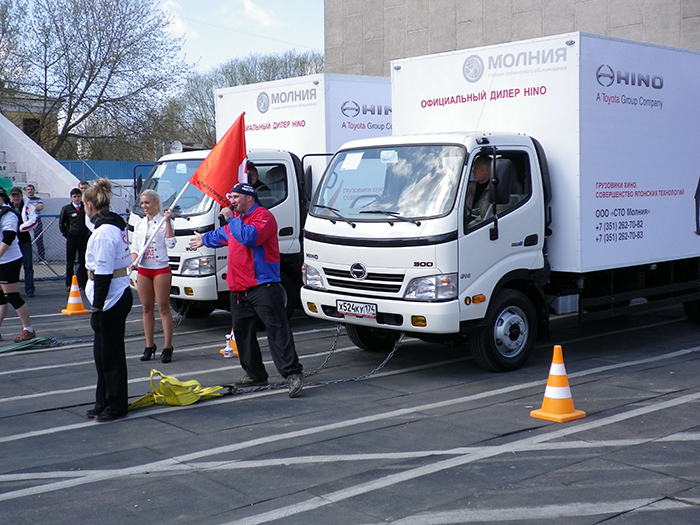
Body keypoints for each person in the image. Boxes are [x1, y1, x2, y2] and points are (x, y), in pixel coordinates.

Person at [189, 182, 304, 398]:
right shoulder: (238, 222)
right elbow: (221, 235)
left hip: (263, 285)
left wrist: (231, 220)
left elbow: (249, 238)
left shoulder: (263, 217)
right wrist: (202, 239)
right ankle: (255, 373)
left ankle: (293, 373)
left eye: (235, 197)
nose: (231, 201)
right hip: (239, 288)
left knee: (277, 329)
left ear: (248, 198)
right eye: (230, 197)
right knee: (243, 333)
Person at [83, 179, 132, 422]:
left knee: (110, 356)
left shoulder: (103, 233)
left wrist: (97, 308)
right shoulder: (112, 226)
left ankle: (116, 404)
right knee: (102, 355)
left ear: (90, 205)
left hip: (110, 298)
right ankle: (103, 401)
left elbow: (102, 275)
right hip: (115, 294)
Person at [129, 190, 176, 363]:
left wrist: (169, 222)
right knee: (146, 307)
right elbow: (135, 247)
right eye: (142, 203)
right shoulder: (140, 224)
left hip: (160, 268)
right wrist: (133, 262)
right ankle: (149, 345)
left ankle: (167, 346)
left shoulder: (164, 222)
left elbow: (171, 243)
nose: (144, 206)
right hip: (143, 269)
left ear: (156, 203)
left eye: (147, 203)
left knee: (163, 307)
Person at [0, 188, 36, 342]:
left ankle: (28, 329)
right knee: (0, 298)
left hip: (9, 260)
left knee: (12, 296)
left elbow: (8, 238)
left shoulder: (8, 214)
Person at [59, 188, 91, 290]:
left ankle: (83, 282)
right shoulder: (66, 209)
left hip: (83, 238)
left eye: (78, 196)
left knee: (83, 261)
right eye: (74, 197)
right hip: (72, 238)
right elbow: (61, 223)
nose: (77, 199)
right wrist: (66, 235)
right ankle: (69, 283)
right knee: (70, 262)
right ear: (71, 198)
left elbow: (90, 220)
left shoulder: (85, 208)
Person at [9, 188, 37, 297]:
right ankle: (13, 289)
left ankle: (30, 289)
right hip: (11, 242)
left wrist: (18, 228)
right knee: (12, 266)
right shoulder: (6, 208)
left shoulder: (29, 207)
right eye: (14, 196)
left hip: (25, 240)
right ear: (11, 197)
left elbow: (33, 221)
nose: (16, 198)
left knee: (28, 265)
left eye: (18, 196)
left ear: (21, 196)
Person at [466, 156, 492, 221]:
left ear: (487, 170)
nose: (473, 171)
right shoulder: (469, 187)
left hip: (479, 226)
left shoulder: (495, 189)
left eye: (476, 168)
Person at [25, 185, 46, 264]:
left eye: (31, 189)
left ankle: (42, 259)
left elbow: (40, 207)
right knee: (26, 240)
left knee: (39, 240)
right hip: (27, 221)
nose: (30, 191)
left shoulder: (38, 199)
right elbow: (25, 208)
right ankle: (26, 259)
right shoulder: (25, 200)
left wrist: (30, 207)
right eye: (28, 189)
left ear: (34, 190)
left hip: (37, 221)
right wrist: (34, 207)